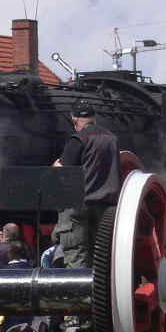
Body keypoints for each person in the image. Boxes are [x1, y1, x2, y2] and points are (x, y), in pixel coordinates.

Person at [52, 100, 120, 269]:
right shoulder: (112, 138)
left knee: (77, 255)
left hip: (80, 205)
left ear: (74, 120)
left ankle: (80, 286)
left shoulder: (79, 138)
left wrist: (55, 165)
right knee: (103, 258)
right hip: (106, 208)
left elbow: (62, 170)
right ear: (94, 118)